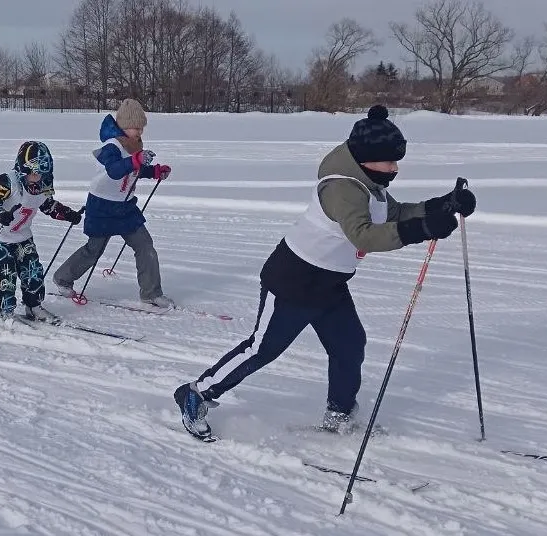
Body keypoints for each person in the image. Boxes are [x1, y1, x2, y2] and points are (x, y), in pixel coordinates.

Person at [173, 105, 477, 440]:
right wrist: (422, 229)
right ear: (365, 158)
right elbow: (363, 235)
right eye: (389, 161)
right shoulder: (342, 189)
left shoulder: (370, 184)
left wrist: (440, 205)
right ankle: (196, 393)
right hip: (294, 280)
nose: (394, 168)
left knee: (349, 345)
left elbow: (393, 213)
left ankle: (339, 414)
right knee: (263, 349)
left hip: (330, 282)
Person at [52, 98, 174, 308]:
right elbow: (115, 170)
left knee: (145, 246)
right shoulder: (111, 146)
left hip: (125, 206)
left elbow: (133, 170)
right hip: (102, 205)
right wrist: (136, 160)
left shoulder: (134, 144)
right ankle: (62, 279)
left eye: (142, 128)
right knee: (94, 250)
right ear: (124, 125)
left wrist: (154, 171)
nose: (140, 132)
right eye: (136, 127)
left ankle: (151, 293)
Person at [0, 141, 83, 322]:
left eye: (41, 173)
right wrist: (0, 214)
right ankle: (5, 311)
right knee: (6, 274)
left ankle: (33, 306)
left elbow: (48, 206)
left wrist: (68, 214)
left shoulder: (42, 186)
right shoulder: (7, 181)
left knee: (33, 271)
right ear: (23, 169)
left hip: (23, 236)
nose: (37, 177)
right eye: (34, 173)